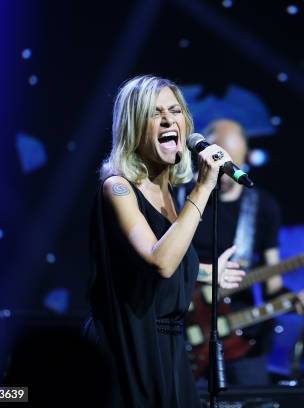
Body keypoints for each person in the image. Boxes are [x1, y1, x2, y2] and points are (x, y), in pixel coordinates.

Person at [83, 75, 246, 408]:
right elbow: (160, 260)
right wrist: (202, 189)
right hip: (129, 344)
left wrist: (205, 273)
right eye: (155, 113)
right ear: (133, 126)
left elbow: (153, 262)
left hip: (169, 348)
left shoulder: (167, 192)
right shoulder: (118, 189)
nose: (169, 120)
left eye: (175, 111)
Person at [183, 119, 304, 385]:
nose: (225, 174)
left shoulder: (263, 207)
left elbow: (272, 285)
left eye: (232, 165)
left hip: (243, 335)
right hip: (183, 322)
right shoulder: (181, 196)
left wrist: (295, 300)